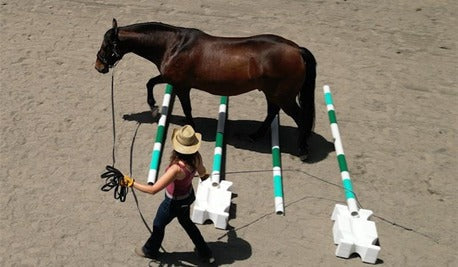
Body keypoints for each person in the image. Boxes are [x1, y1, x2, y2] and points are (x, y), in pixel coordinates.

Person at [120, 125, 215, 263]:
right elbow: (202, 173)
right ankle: (205, 253)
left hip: (172, 202)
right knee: (187, 224)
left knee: (158, 224)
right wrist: (205, 176)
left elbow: (152, 190)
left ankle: (150, 250)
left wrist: (132, 183)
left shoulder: (176, 169)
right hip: (187, 197)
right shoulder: (196, 158)